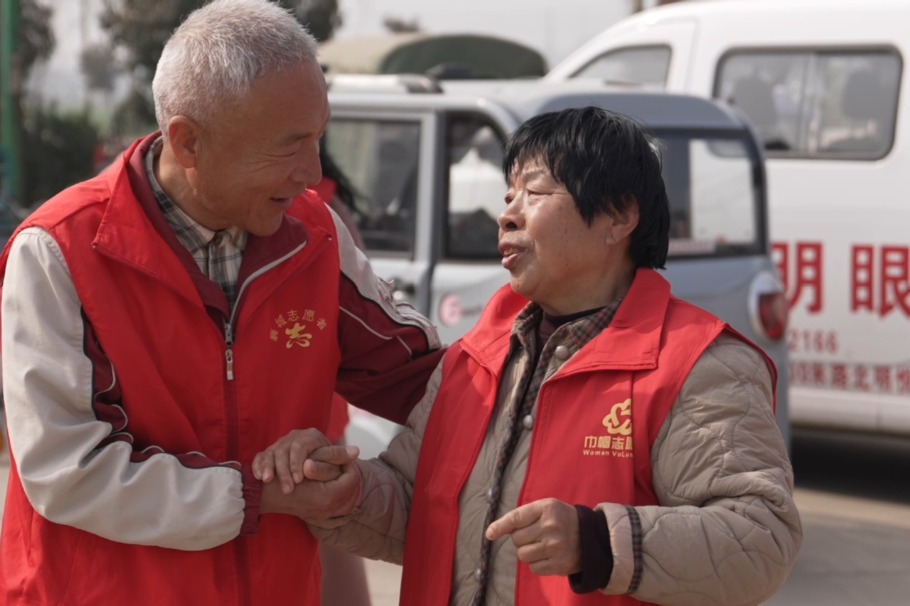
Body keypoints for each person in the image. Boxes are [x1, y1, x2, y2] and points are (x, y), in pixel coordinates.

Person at [255, 106, 803, 605]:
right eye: (507, 197)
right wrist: (340, 491)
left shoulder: (696, 366)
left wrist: (598, 543)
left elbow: (759, 539)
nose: (507, 217)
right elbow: (416, 508)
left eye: (534, 194)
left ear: (619, 217)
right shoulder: (475, 359)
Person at [0, 1, 443, 604]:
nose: (312, 173)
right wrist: (260, 494)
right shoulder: (59, 252)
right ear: (188, 141)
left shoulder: (315, 237)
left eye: (319, 139)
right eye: (290, 146)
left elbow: (423, 377)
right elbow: (67, 472)